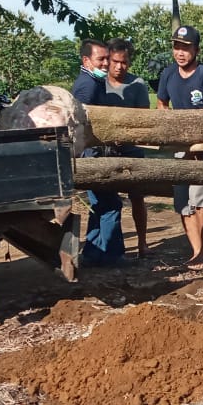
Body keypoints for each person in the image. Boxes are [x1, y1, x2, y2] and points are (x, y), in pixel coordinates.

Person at [157, 25, 203, 272]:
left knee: (202, 201)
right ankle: (196, 251)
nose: (180, 53)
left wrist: (195, 145)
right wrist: (171, 126)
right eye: (177, 47)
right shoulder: (168, 75)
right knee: (183, 202)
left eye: (185, 48)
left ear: (196, 49)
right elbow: (162, 103)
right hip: (179, 147)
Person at [72, 39, 124, 267]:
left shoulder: (92, 82)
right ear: (86, 60)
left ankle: (93, 254)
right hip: (93, 155)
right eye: (100, 59)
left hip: (92, 153)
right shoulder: (88, 86)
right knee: (111, 204)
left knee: (99, 205)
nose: (106, 64)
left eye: (106, 58)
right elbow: (82, 122)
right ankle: (112, 256)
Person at [105, 38, 152, 258]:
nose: (119, 66)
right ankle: (111, 246)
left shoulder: (137, 85)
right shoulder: (98, 84)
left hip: (131, 148)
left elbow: (143, 119)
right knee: (107, 200)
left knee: (137, 197)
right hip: (104, 150)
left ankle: (142, 242)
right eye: (115, 61)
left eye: (123, 62)